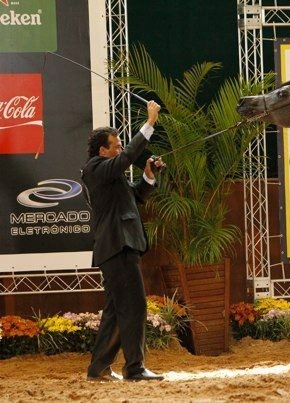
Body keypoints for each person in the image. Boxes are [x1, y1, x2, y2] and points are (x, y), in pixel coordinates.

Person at [82, 100, 166, 382]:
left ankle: (99, 368)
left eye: (120, 146)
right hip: (117, 247)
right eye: (116, 146)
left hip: (119, 247)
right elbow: (127, 157)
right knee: (134, 306)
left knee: (117, 311)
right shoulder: (95, 169)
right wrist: (150, 123)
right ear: (102, 150)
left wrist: (148, 176)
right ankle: (134, 368)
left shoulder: (110, 177)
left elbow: (136, 196)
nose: (119, 150)